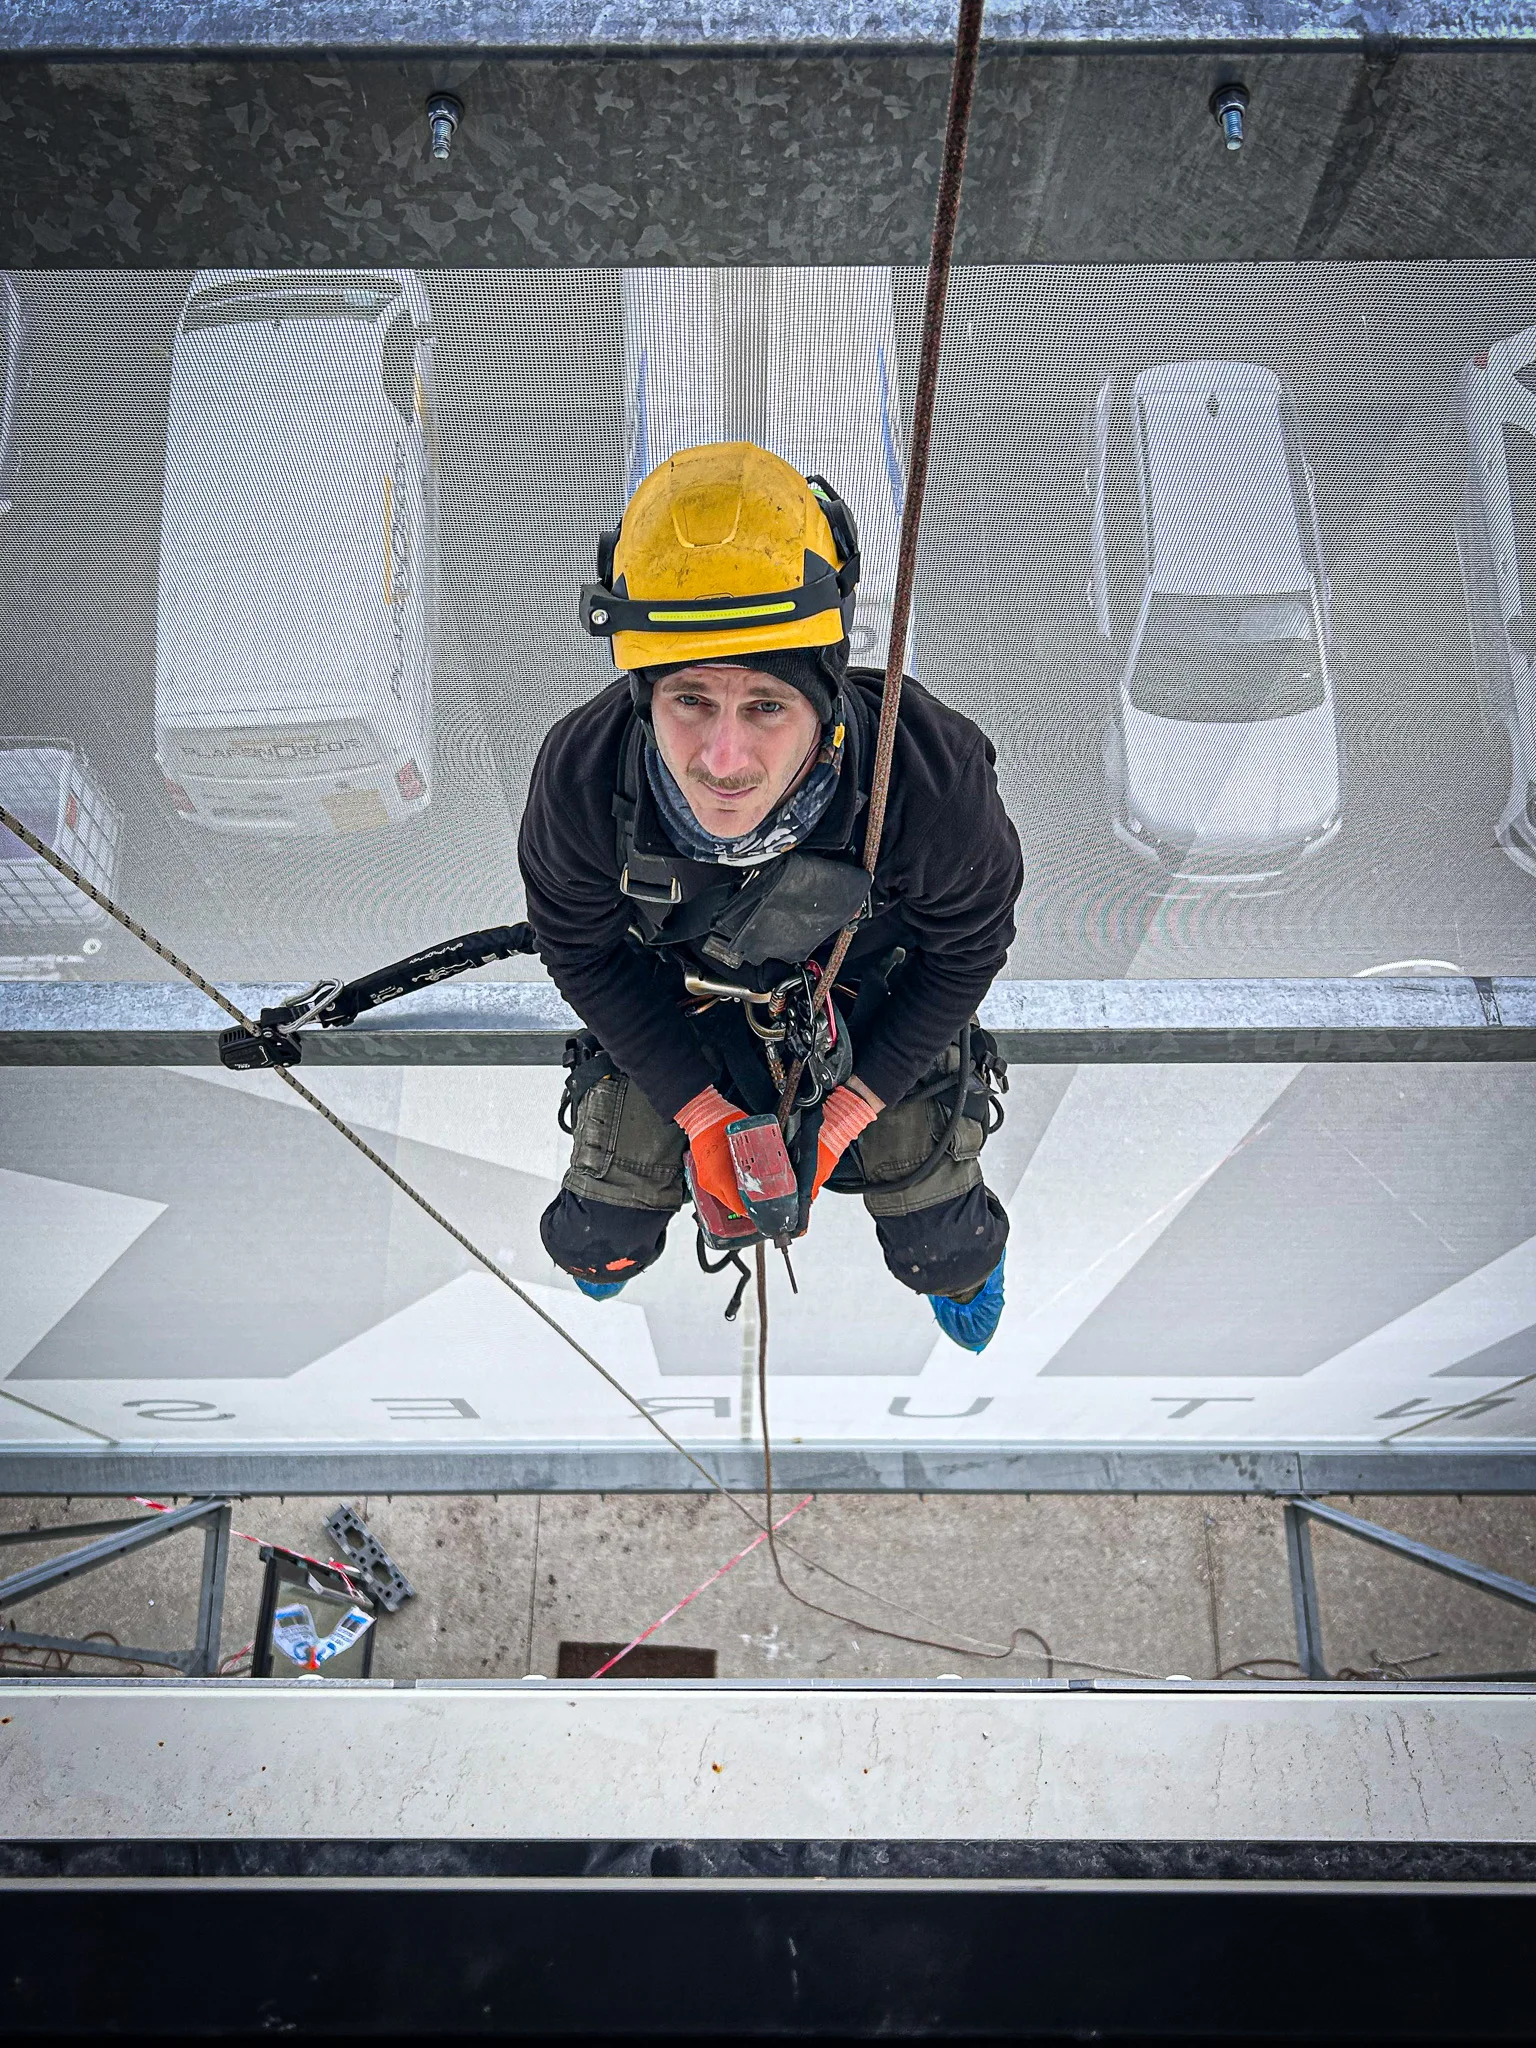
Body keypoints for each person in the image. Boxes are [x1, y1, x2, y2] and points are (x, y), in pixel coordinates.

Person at [518, 441, 1023, 1352]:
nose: (723, 761)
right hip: (678, 1000)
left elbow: (966, 951)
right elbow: (583, 951)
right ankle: (613, 1250)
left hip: (875, 999)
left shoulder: (924, 776)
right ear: (642, 695)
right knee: (597, 1241)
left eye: (765, 706)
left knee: (940, 1247)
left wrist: (850, 1110)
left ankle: (958, 1266)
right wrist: (702, 1113)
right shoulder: (585, 780)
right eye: (688, 701)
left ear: (825, 698)